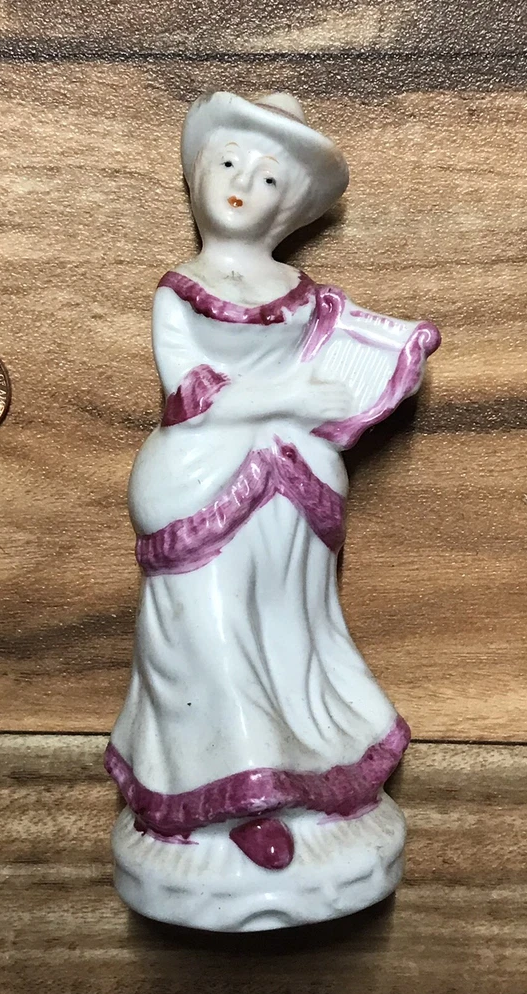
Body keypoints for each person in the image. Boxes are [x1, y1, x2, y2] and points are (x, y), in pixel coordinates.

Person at [104, 90, 440, 929]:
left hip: (294, 483)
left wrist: (385, 372)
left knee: (290, 631)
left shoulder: (306, 295)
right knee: (206, 633)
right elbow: (192, 398)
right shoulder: (179, 292)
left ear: (288, 203)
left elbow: (333, 372)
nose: (241, 185)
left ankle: (309, 780)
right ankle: (224, 800)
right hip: (199, 477)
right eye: (227, 163)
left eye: (266, 177)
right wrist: (290, 395)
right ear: (195, 175)